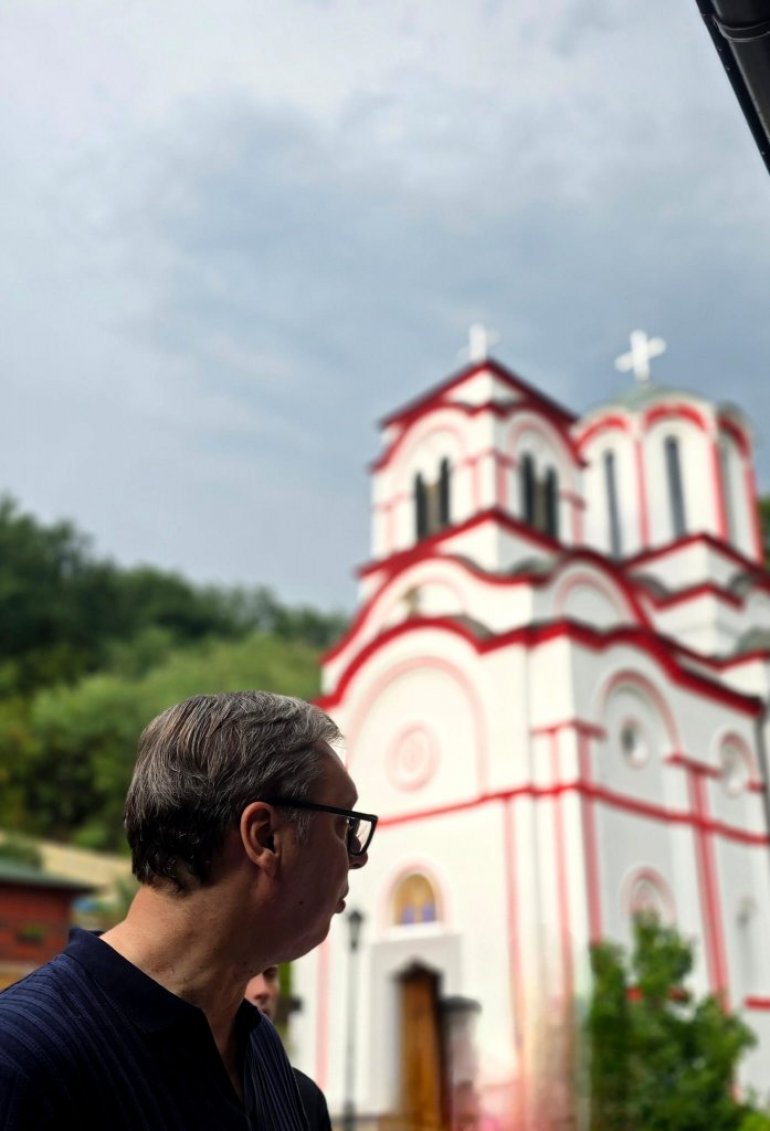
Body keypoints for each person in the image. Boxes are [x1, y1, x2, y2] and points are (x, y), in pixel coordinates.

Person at [0, 690, 376, 1130]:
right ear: (265, 837)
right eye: (343, 825)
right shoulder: (20, 1061)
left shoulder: (258, 1045)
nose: (358, 857)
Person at [245, 965, 332, 1131]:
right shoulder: (191, 1088)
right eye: (247, 973)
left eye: (270, 974)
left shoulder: (305, 1096)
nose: (263, 990)